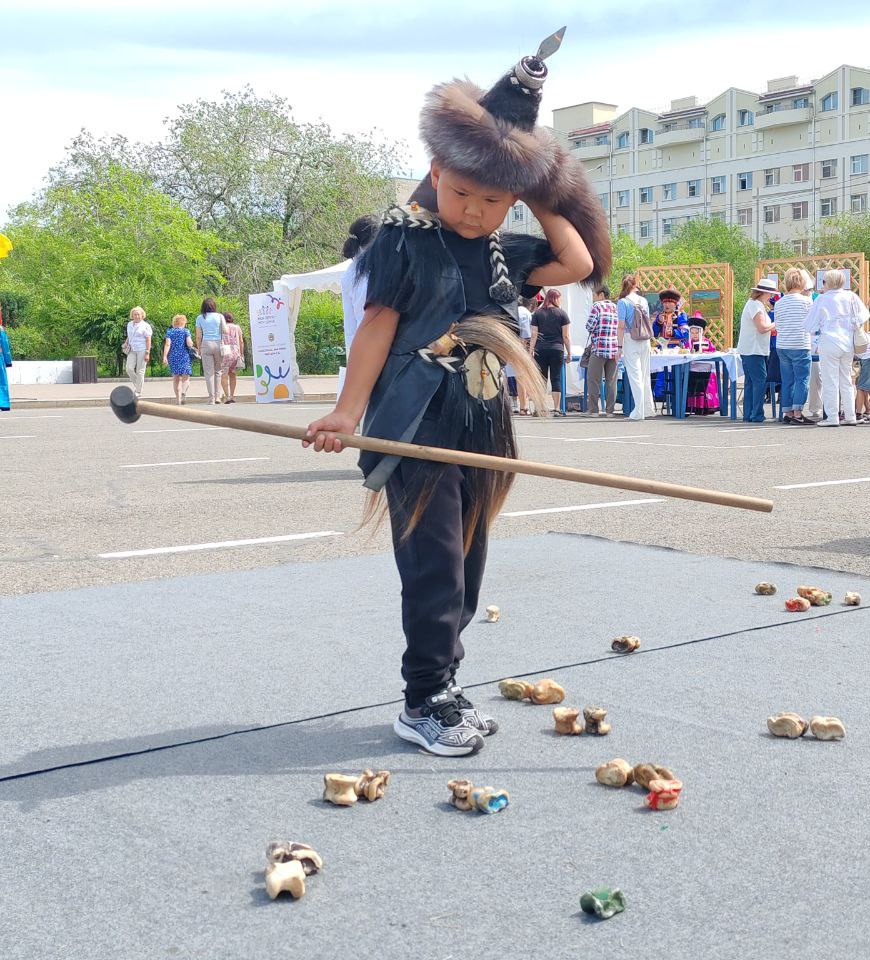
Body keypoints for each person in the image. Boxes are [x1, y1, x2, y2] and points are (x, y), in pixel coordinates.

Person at [303, 30, 608, 755]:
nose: (473, 210)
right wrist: (348, 412)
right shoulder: (402, 240)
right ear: (434, 171)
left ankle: (444, 683)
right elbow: (377, 326)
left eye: (494, 197)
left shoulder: (507, 248)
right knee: (434, 560)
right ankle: (423, 698)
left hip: (482, 422)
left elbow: (580, 260)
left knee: (469, 562)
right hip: (414, 418)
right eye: (462, 190)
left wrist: (543, 193)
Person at [806, 269, 864, 426]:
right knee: (846, 379)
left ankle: (832, 416)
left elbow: (809, 324)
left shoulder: (822, 299)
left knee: (830, 380)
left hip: (829, 341)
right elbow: (864, 315)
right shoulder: (851, 296)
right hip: (848, 342)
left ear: (828, 282)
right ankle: (850, 415)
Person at [773, 268, 816, 424]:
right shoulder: (806, 302)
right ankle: (798, 412)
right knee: (802, 379)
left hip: (782, 345)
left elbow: (777, 324)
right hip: (799, 344)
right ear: (802, 282)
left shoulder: (779, 303)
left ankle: (788, 411)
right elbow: (813, 324)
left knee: (787, 380)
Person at [737, 278, 778, 423]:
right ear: (764, 293)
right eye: (770, 293)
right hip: (754, 350)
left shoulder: (753, 304)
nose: (771, 297)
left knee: (751, 382)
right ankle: (757, 414)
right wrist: (775, 324)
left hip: (749, 349)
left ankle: (749, 414)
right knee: (760, 381)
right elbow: (762, 328)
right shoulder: (756, 306)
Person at [340, 215, 379, 355]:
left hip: (361, 346)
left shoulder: (347, 275)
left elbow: (349, 325)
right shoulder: (380, 269)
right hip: (381, 345)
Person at [617, 275, 654, 420]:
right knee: (645, 375)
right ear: (635, 285)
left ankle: (639, 411)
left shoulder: (623, 302)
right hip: (645, 340)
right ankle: (648, 408)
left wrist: (619, 346)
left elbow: (621, 326)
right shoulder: (643, 301)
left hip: (630, 338)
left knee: (635, 376)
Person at [530, 288, 572, 416]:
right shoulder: (562, 314)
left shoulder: (537, 314)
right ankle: (557, 409)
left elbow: (534, 335)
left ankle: (540, 408)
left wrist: (530, 351)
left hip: (540, 349)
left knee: (541, 379)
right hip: (557, 349)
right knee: (556, 378)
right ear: (556, 299)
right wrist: (569, 352)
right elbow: (566, 336)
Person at [585, 285, 619, 416]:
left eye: (594, 295)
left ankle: (594, 409)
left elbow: (589, 325)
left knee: (593, 379)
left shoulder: (597, 307)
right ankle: (610, 410)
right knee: (611, 381)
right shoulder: (616, 307)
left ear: (601, 295)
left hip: (599, 348)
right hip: (614, 348)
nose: (594, 298)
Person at [193, 297, 226, 406]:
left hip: (206, 344)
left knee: (208, 373)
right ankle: (217, 397)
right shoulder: (220, 316)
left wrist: (199, 348)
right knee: (218, 371)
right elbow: (225, 330)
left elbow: (198, 336)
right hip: (218, 344)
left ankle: (211, 398)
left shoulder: (200, 318)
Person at [162, 314, 195, 404]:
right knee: (186, 377)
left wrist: (165, 356)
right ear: (183, 322)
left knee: (176, 378)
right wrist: (192, 344)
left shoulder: (170, 332)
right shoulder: (186, 331)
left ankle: (178, 399)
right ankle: (184, 392)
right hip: (184, 356)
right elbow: (189, 344)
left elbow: (167, 344)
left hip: (173, 357)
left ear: (174, 323)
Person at [122, 307, 152, 398]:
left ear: (142, 315)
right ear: (132, 315)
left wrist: (147, 352)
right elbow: (130, 335)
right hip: (132, 349)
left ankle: (138, 391)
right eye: (135, 314)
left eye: (139, 314)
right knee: (129, 369)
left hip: (142, 349)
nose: (137, 316)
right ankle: (138, 386)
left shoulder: (145, 325)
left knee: (140, 371)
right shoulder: (129, 324)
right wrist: (126, 343)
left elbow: (148, 339)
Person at [219, 310, 245, 403]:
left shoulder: (221, 328)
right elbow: (241, 341)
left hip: (225, 352)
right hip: (235, 352)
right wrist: (241, 353)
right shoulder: (237, 327)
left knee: (224, 374)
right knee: (233, 374)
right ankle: (232, 396)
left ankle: (227, 396)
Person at [0, 304, 11, 412]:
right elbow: (5, 346)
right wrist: (8, 361)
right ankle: (3, 403)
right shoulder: (0, 330)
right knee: (1, 381)